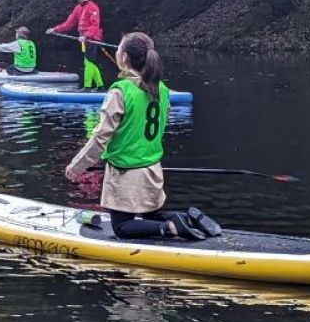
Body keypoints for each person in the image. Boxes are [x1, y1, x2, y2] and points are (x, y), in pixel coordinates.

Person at [64, 32, 220, 240]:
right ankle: (189, 219)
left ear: (125, 57)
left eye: (119, 49)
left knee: (122, 227)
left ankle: (170, 228)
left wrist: (77, 166)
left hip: (126, 172)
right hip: (152, 170)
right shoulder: (162, 89)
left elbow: (101, 136)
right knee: (152, 214)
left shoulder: (120, 91)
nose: (116, 52)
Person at [46, 0, 104, 90]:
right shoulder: (78, 8)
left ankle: (87, 87)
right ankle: (100, 86)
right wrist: (54, 29)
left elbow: (95, 25)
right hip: (84, 39)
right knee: (89, 61)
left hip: (92, 39)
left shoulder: (93, 7)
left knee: (88, 62)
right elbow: (69, 24)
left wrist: (86, 36)